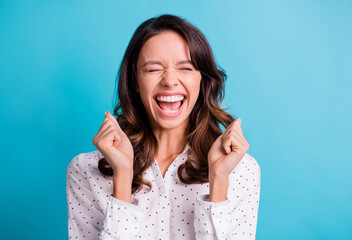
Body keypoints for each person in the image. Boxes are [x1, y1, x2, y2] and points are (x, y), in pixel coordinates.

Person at [66, 14, 261, 240]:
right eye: (152, 69)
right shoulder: (85, 170)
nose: (169, 81)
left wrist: (218, 182)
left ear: (203, 80)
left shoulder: (241, 170)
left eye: (186, 68)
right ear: (134, 82)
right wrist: (123, 179)